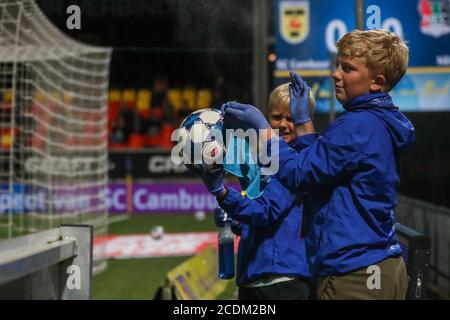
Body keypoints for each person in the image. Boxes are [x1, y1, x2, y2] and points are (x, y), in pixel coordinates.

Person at [221, 29, 414, 300]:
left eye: (348, 68)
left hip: (355, 272)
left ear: (376, 81)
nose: (336, 74)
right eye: (338, 65)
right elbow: (322, 171)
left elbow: (299, 173)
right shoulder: (375, 122)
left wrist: (264, 131)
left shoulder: (358, 125)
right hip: (375, 267)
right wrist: (304, 126)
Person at [195, 80, 316, 300]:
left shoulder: (298, 163)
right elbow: (267, 219)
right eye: (276, 117)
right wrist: (238, 222)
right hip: (258, 277)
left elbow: (265, 212)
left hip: (281, 281)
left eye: (291, 118)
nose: (283, 124)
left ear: (304, 120)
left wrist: (222, 193)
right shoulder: (267, 160)